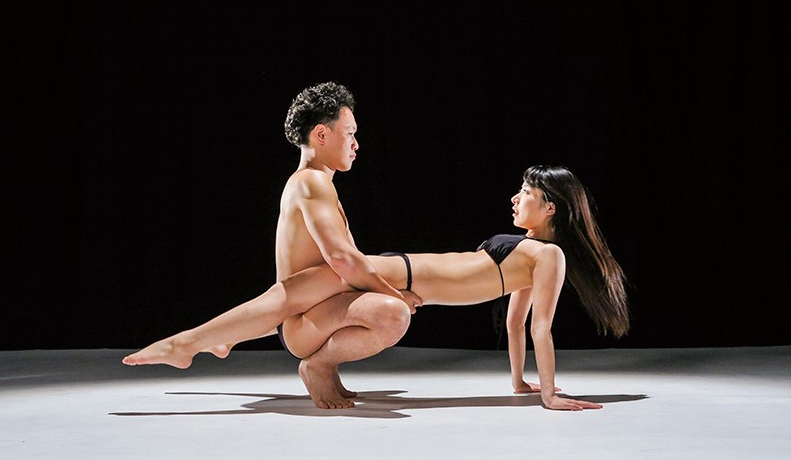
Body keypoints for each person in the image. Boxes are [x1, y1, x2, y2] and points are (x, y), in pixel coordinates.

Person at [125, 162, 629, 411]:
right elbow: (519, 325)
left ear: (551, 207)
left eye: (527, 192)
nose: (516, 198)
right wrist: (525, 386)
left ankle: (206, 341)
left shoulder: (549, 256)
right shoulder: (531, 249)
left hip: (399, 272)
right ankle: (197, 342)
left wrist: (539, 391)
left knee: (292, 296)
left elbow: (530, 326)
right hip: (396, 271)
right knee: (290, 295)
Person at [123, 81, 422, 409]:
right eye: (349, 133)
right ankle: (313, 366)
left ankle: (214, 340)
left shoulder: (312, 182)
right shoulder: (311, 181)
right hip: (300, 323)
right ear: (321, 134)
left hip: (306, 313)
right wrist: (395, 294)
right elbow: (341, 260)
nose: (356, 144)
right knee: (388, 309)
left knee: (356, 284)